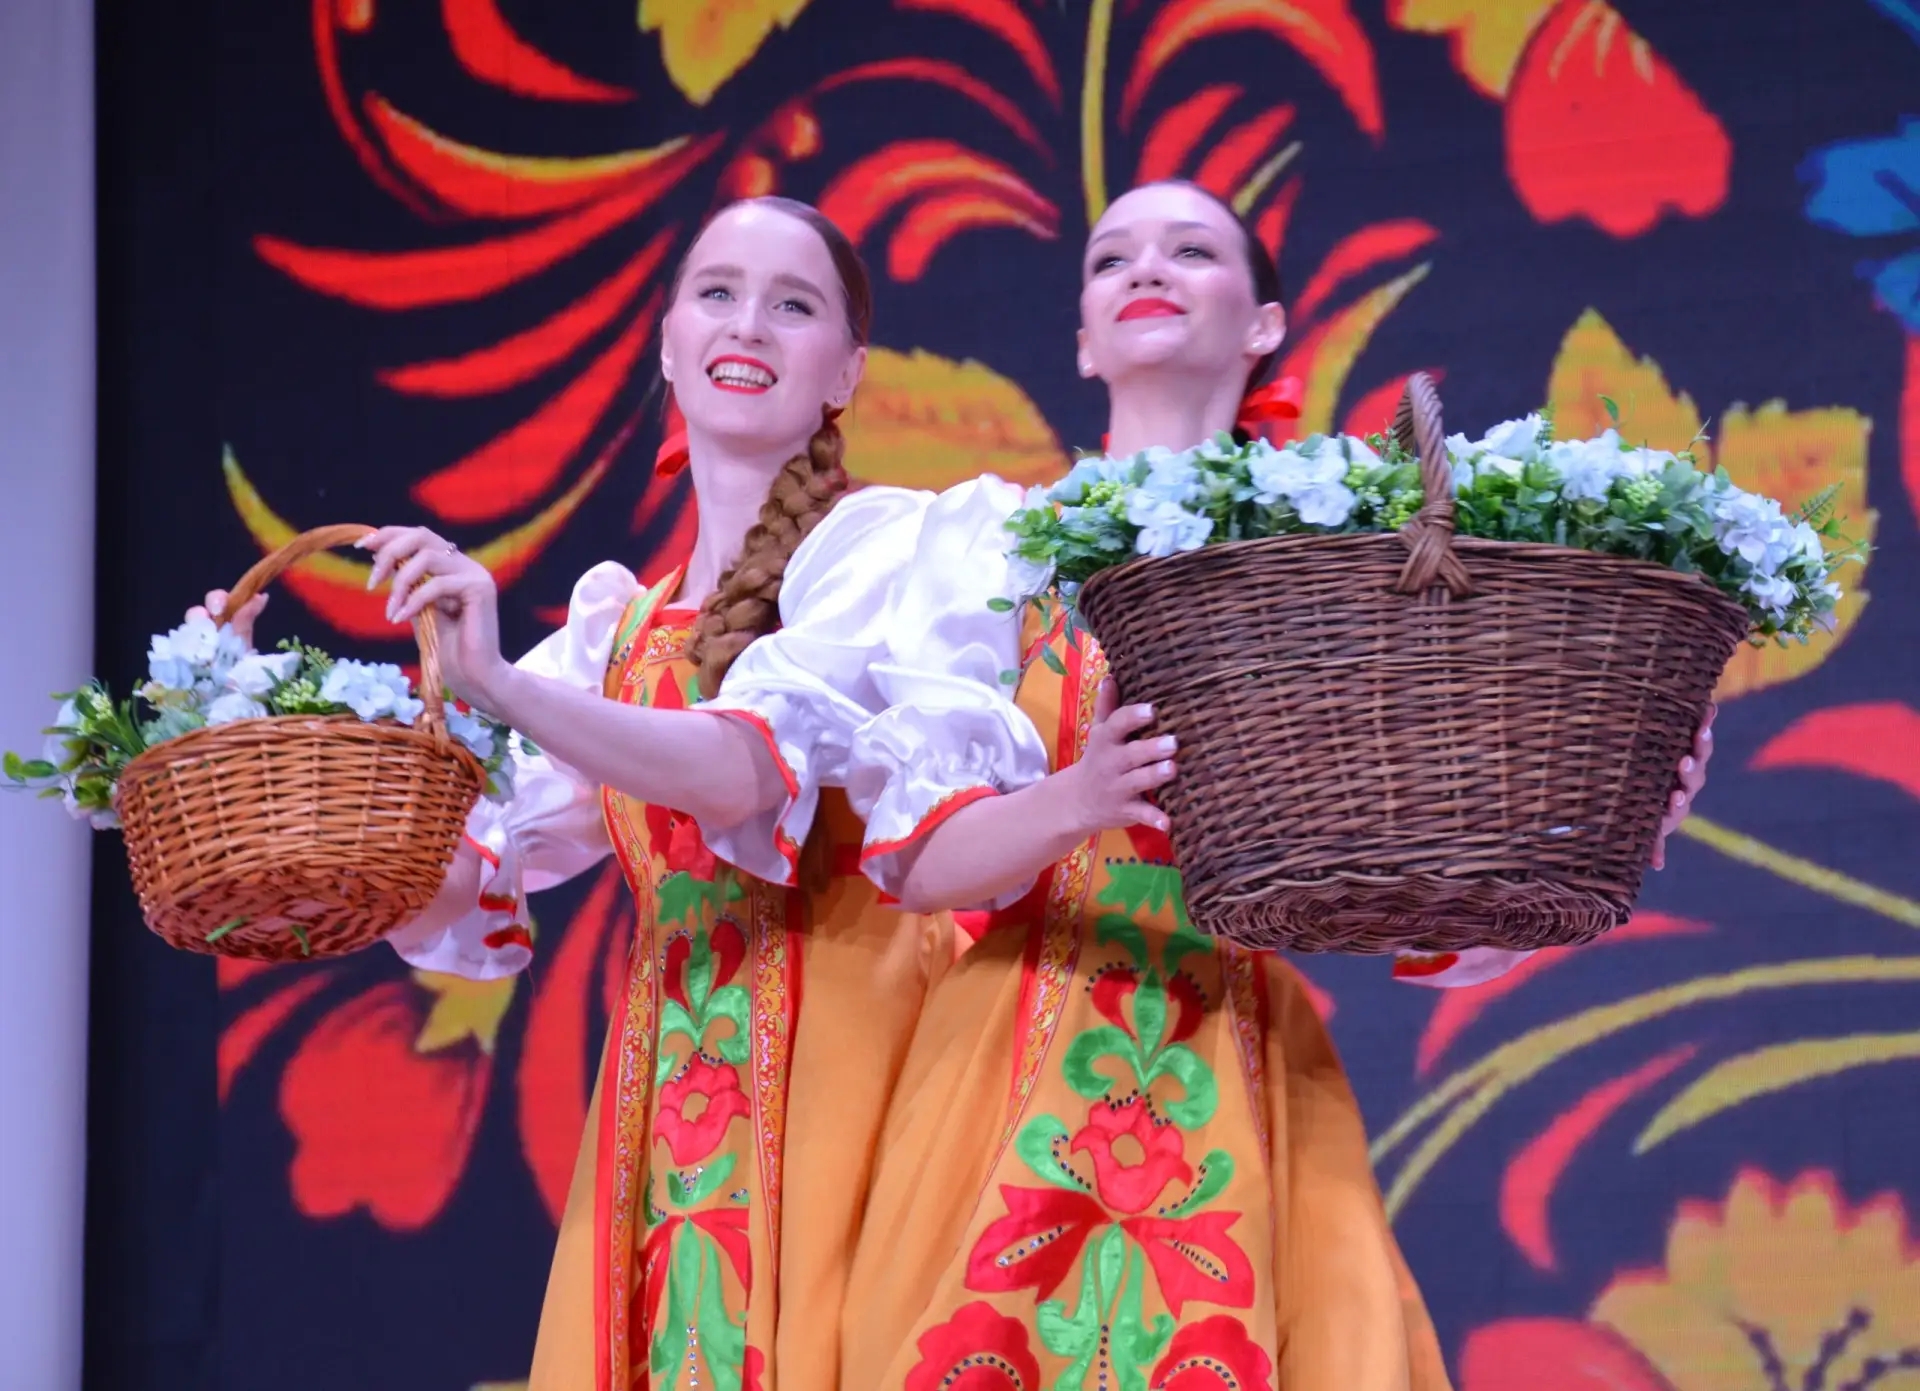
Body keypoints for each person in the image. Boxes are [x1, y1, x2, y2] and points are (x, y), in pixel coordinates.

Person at [691, 180, 1714, 1387]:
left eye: (1190, 250)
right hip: (1015, 1051)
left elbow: (1419, 894)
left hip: (1236, 1053)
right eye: (1111, 258)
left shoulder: (1332, 565)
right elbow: (916, 866)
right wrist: (1077, 800)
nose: (1147, 270)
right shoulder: (991, 547)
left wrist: (1596, 830)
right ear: (1083, 338)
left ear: (1265, 324)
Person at [210, 198, 946, 1391]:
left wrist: (496, 681)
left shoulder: (886, 551)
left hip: (860, 1067)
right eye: (717, 292)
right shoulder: (618, 631)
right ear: (667, 344)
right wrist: (262, 739)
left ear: (847, 373)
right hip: (671, 1098)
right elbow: (460, 876)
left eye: (794, 303)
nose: (747, 323)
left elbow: (738, 769)